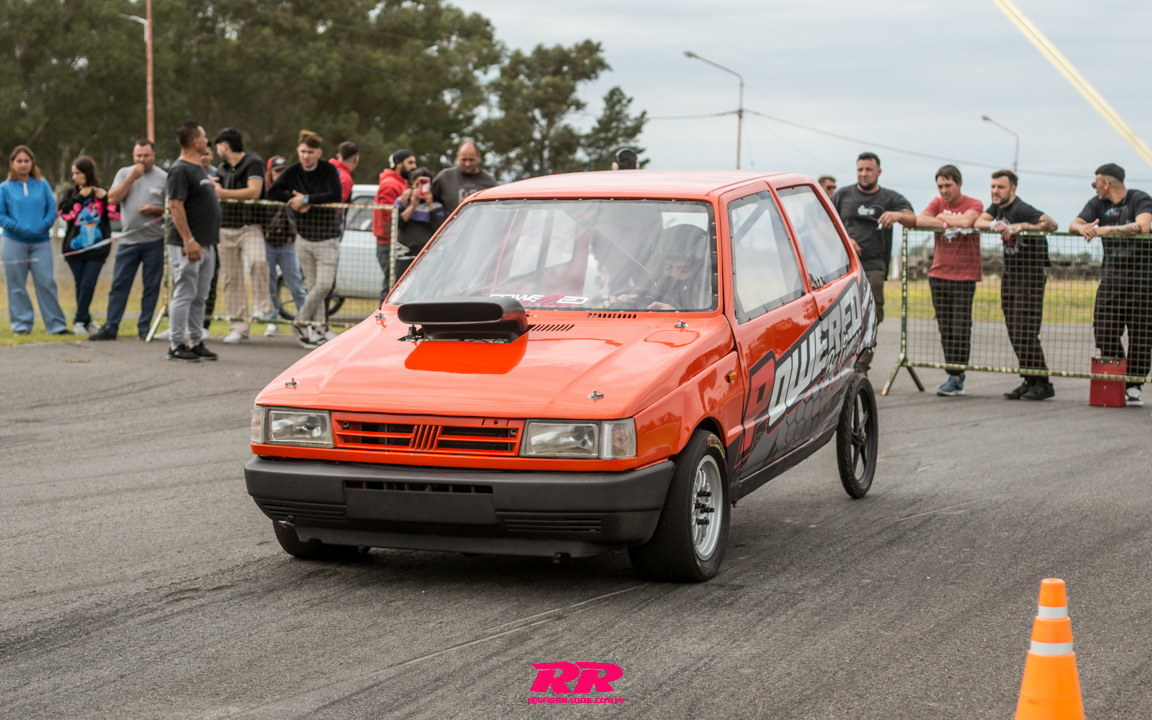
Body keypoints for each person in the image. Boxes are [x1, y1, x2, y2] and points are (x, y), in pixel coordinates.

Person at [1070, 163, 1152, 407]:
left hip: (1141, 280)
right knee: (1104, 328)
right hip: (1111, 279)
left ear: (1106, 183)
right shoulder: (1097, 203)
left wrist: (1105, 230)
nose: (1094, 188)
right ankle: (1118, 375)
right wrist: (1083, 227)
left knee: (1141, 333)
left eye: (1095, 184)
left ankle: (1134, 384)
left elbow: (1143, 226)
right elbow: (1073, 224)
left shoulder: (1139, 198)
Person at [974, 170, 1058, 401]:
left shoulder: (1020, 208)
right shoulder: (998, 208)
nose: (995, 191)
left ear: (1012, 189)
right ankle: (1029, 379)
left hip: (1029, 278)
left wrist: (1021, 226)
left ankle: (1043, 383)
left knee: (1025, 331)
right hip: (1010, 276)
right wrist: (995, 224)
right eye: (993, 186)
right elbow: (978, 221)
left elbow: (1051, 224)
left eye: (1000, 187)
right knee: (1014, 330)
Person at [828, 152, 916, 372]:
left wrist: (896, 215)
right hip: (844, 266)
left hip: (875, 264)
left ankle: (861, 367)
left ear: (879, 172)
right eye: (860, 169)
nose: (864, 173)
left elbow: (911, 218)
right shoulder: (842, 195)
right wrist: (845, 240)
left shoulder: (889, 198)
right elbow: (822, 223)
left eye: (868, 169)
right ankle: (840, 366)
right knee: (841, 316)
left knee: (872, 314)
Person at [267, 129, 343, 348]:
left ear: (318, 152)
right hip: (303, 237)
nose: (306, 156)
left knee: (324, 285)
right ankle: (318, 330)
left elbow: (336, 194)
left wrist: (308, 199)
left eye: (310, 152)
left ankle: (300, 321)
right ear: (298, 151)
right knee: (312, 286)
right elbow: (273, 192)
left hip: (327, 237)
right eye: (302, 151)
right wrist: (294, 201)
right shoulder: (292, 171)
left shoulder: (328, 170)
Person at [916, 165, 984, 396]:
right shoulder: (937, 203)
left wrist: (942, 218)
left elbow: (967, 222)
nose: (944, 190)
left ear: (959, 183)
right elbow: (921, 220)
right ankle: (952, 374)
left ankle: (958, 375)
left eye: (948, 185)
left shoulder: (974, 203)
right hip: (939, 274)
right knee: (945, 328)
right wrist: (946, 223)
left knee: (960, 327)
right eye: (940, 186)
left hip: (964, 276)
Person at [90, 140, 167, 341]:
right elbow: (112, 199)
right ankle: (111, 327)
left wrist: (155, 210)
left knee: (151, 286)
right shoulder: (124, 173)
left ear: (154, 155)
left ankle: (144, 328)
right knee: (119, 285)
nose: (142, 159)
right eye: (138, 156)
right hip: (128, 241)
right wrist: (132, 177)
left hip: (154, 241)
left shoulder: (164, 177)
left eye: (146, 155)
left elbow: (171, 209)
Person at [165, 121, 221, 362]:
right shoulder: (180, 170)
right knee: (185, 293)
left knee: (200, 296)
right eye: (204, 137)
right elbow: (175, 206)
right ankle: (176, 344)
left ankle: (196, 341)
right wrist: (189, 240)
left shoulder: (199, 167)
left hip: (207, 242)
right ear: (196, 141)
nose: (208, 141)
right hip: (188, 245)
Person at [1, 145, 69, 335]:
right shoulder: (4, 188)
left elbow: (52, 209)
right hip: (13, 242)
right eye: (19, 161)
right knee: (16, 284)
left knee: (46, 282)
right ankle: (21, 325)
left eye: (26, 161)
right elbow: (1, 214)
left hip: (41, 242)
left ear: (32, 163)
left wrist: (43, 225)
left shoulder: (42, 184)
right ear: (12, 163)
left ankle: (56, 325)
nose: (23, 164)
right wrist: (18, 227)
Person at [213, 127, 272, 343]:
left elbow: (254, 191)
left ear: (224, 146)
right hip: (225, 228)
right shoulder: (221, 168)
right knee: (231, 279)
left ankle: (262, 308)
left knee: (258, 261)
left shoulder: (253, 162)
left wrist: (222, 193)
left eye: (217, 147)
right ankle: (238, 328)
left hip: (250, 226)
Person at [57, 156, 116, 335]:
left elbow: (115, 216)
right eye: (73, 173)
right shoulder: (70, 193)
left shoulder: (103, 193)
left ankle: (79, 321)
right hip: (74, 249)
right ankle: (86, 321)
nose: (74, 177)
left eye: (78, 173)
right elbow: (65, 214)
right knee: (81, 285)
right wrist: (79, 197)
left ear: (87, 173)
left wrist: (105, 199)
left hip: (97, 249)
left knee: (88, 284)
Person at [607, 225, 709, 311]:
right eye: (668, 268)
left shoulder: (708, 304)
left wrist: (677, 316)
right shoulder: (649, 296)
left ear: (698, 273)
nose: (674, 275)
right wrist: (625, 306)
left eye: (683, 270)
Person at [262, 155, 307, 335]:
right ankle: (272, 320)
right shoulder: (265, 192)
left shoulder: (292, 192)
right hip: (268, 244)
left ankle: (304, 320)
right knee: (270, 283)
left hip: (287, 245)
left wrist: (291, 235)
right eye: (276, 171)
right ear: (270, 173)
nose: (280, 174)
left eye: (283, 171)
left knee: (295, 283)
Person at [373, 149, 416, 300]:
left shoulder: (400, 182)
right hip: (388, 244)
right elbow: (387, 218)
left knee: (395, 286)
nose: (414, 166)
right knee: (391, 287)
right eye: (410, 163)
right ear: (398, 164)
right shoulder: (390, 184)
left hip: (394, 242)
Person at [394, 167, 446, 281]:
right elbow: (395, 224)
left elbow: (440, 229)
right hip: (406, 255)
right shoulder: (403, 201)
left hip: (427, 256)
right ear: (412, 184)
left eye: (424, 185)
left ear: (431, 185)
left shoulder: (437, 205)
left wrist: (430, 205)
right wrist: (413, 206)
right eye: (417, 184)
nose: (420, 188)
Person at [432, 139, 497, 216]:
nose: (467, 164)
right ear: (457, 156)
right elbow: (431, 202)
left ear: (479, 157)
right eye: (464, 159)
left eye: (471, 160)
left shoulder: (489, 182)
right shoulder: (445, 177)